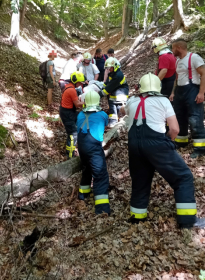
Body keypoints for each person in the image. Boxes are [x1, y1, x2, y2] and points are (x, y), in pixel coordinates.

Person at [123, 73, 205, 229]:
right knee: (183, 177)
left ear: (140, 88)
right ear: (158, 87)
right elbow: (175, 129)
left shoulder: (132, 101)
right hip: (156, 144)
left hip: (134, 145)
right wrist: (167, 141)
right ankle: (187, 220)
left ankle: (137, 216)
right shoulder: (163, 101)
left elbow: (123, 111)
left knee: (140, 180)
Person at [170, 39, 205, 158]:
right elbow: (177, 78)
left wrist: (201, 93)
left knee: (195, 119)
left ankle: (200, 148)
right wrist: (173, 92)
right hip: (180, 92)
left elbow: (203, 74)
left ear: (179, 47)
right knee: (180, 117)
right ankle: (181, 142)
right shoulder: (177, 61)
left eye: (173, 48)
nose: (172, 50)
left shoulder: (194, 57)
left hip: (192, 90)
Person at [77, 91, 110, 215]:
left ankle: (83, 194)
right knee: (100, 175)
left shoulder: (80, 115)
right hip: (94, 149)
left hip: (82, 148)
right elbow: (105, 124)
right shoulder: (102, 115)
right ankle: (102, 209)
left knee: (86, 169)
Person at [59, 71, 85, 159]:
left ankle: (75, 147)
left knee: (81, 118)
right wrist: (86, 103)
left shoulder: (69, 86)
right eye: (80, 83)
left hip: (69, 111)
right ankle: (70, 155)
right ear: (76, 81)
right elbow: (77, 104)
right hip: (67, 113)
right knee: (73, 134)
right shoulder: (71, 90)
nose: (80, 84)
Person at [99, 57, 129, 127]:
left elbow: (109, 88)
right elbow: (107, 83)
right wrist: (102, 87)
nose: (109, 69)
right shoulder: (112, 73)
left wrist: (99, 95)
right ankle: (115, 120)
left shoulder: (118, 75)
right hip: (116, 95)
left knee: (116, 107)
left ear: (115, 66)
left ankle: (114, 122)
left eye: (110, 67)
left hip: (120, 96)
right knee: (113, 108)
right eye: (108, 68)